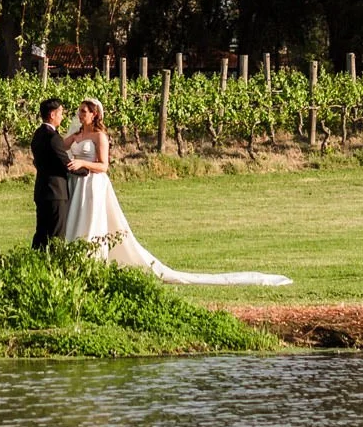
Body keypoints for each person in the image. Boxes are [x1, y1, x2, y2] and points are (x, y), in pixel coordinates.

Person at [59, 97, 290, 287]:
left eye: (84, 112)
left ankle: (92, 262)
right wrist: (69, 140)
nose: (80, 115)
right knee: (76, 219)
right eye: (79, 111)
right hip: (78, 183)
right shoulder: (78, 134)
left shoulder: (100, 136)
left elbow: (104, 166)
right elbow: (60, 147)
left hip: (93, 184)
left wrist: (82, 164)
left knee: (91, 221)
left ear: (95, 114)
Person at [29, 96, 77, 249]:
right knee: (57, 234)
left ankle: (34, 263)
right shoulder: (53, 137)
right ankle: (54, 267)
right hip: (55, 192)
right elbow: (65, 163)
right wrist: (85, 169)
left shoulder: (37, 134)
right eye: (61, 113)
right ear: (52, 115)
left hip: (41, 190)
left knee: (41, 233)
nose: (62, 116)